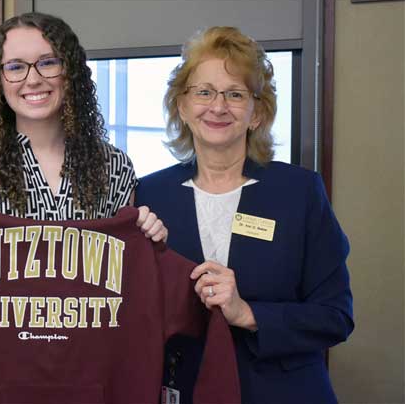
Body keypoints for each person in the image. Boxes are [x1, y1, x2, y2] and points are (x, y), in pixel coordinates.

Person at [136, 26, 354, 404]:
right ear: (183, 106)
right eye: (203, 92)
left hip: (283, 393)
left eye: (235, 94)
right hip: (184, 390)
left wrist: (247, 313)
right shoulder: (148, 196)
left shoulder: (299, 193)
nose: (217, 107)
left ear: (257, 113)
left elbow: (335, 316)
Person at [0, 12, 166, 242]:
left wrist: (151, 238)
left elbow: (126, 270)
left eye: (48, 62)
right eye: (16, 67)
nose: (33, 79)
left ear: (70, 71)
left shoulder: (114, 167)